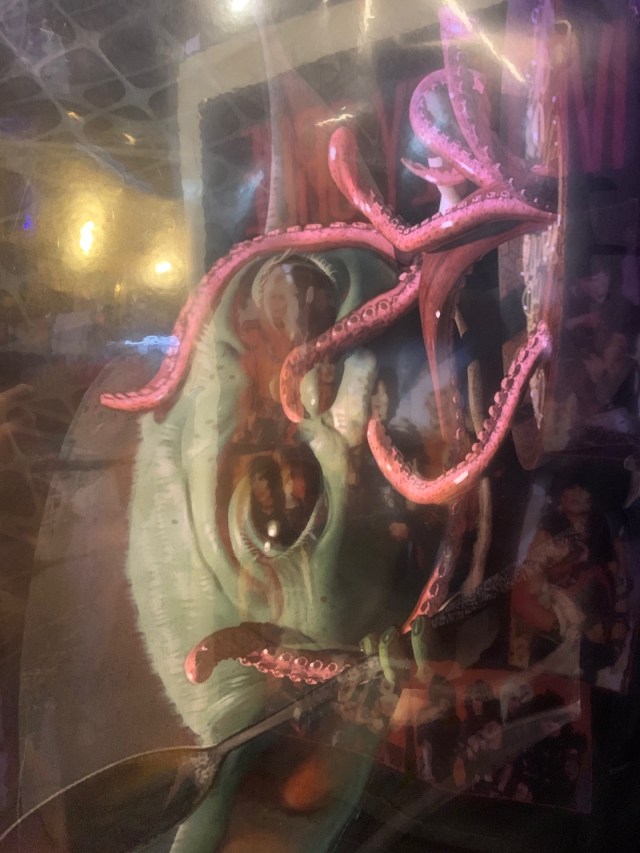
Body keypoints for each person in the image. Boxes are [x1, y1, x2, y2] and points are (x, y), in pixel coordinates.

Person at [239, 256, 303, 445]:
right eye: (272, 297)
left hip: (293, 419)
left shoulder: (296, 337)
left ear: (288, 301)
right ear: (265, 300)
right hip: (258, 421)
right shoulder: (252, 334)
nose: (276, 304)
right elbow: (244, 383)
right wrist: (243, 421)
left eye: (281, 298)